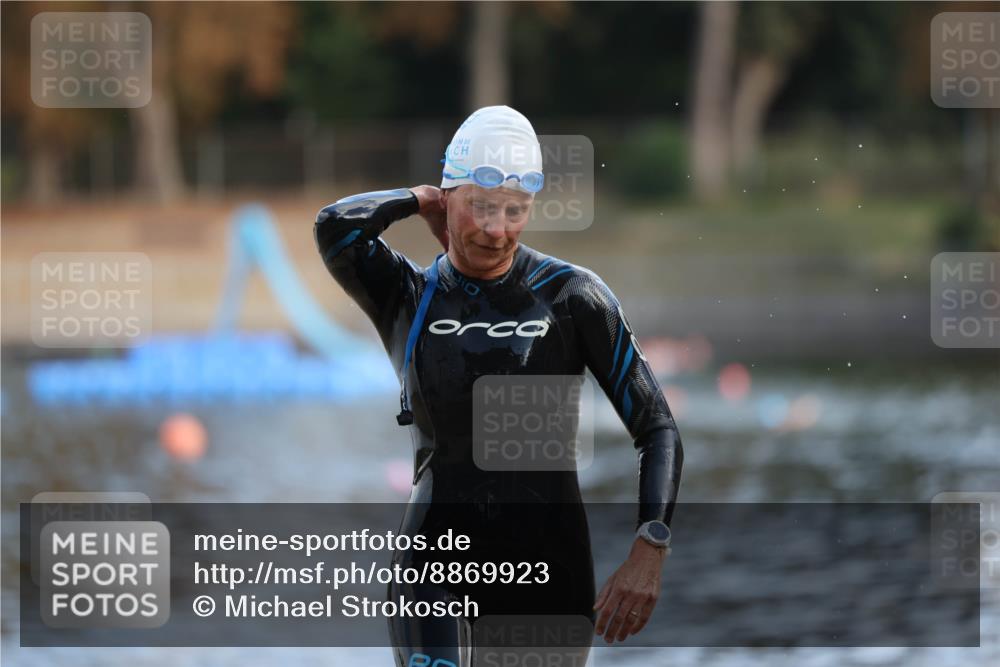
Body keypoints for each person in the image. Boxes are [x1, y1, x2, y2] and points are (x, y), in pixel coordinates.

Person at [314, 105, 683, 666]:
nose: (496, 229)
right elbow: (335, 227)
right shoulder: (406, 294)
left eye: (515, 211)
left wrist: (649, 546)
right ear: (449, 198)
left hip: (550, 569)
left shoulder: (572, 297)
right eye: (481, 207)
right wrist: (417, 199)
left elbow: (656, 428)